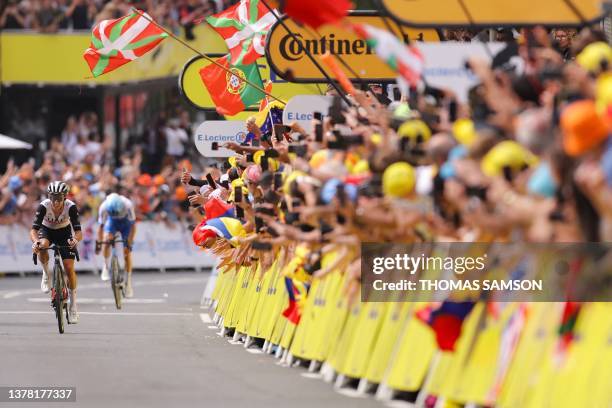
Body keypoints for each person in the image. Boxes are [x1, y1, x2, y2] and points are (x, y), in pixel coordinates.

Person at [30, 181, 82, 323]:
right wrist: (36, 242)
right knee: (42, 245)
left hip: (64, 233)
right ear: (49, 197)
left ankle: (73, 306)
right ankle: (46, 273)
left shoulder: (70, 207)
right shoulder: (44, 206)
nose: (56, 202)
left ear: (64, 197)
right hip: (47, 231)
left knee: (69, 268)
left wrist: (75, 240)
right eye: (53, 197)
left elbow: (78, 232)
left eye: (59, 198)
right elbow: (34, 230)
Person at [95, 193, 136, 297]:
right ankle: (105, 266)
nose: (117, 215)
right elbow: (101, 227)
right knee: (106, 240)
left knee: (127, 252)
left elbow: (133, 227)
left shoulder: (128, 204)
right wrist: (100, 242)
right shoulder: (103, 207)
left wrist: (130, 241)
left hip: (126, 224)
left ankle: (128, 282)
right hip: (112, 222)